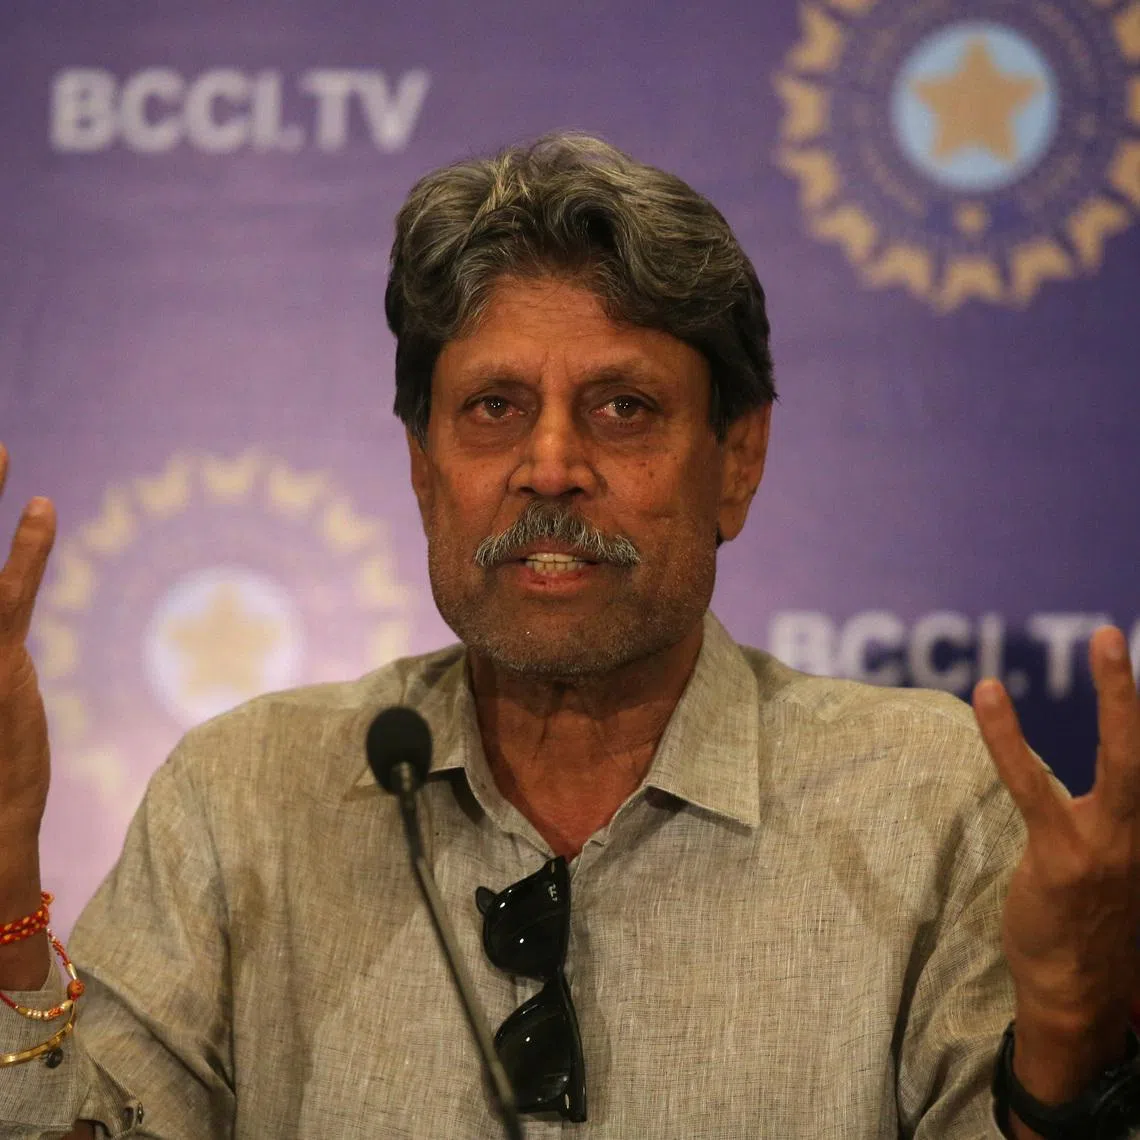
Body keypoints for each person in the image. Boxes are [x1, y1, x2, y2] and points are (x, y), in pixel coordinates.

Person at [0, 133, 1138, 1140]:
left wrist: (1070, 1045)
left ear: (736, 461)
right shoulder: (243, 796)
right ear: (421, 467)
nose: (550, 465)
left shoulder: (929, 800)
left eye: (622, 407)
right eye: (494, 408)